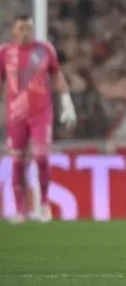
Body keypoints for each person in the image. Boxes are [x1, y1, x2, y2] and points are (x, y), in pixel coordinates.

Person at [0, 15, 77, 223]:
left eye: (29, 28)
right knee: (17, 161)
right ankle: (20, 210)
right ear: (14, 30)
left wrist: (66, 100)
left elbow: (57, 75)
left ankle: (43, 204)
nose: (25, 32)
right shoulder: (5, 52)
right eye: (21, 28)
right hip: (16, 115)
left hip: (41, 113)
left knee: (41, 156)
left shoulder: (45, 50)